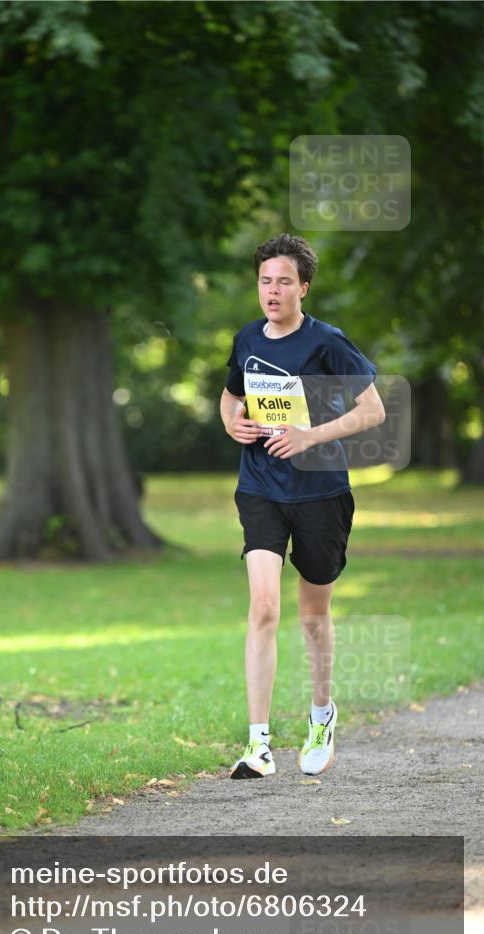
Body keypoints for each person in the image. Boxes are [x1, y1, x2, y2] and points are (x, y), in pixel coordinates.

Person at [221, 233, 385, 779]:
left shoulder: (328, 342)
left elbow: (372, 411)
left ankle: (321, 715)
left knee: (313, 614)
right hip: (261, 488)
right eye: (265, 280)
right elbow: (230, 395)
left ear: (303, 287)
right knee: (263, 606)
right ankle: (258, 744)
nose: (272, 290)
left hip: (320, 493)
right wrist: (234, 423)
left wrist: (309, 435)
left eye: (283, 281)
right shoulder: (246, 339)